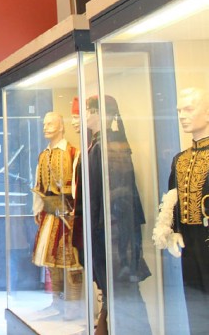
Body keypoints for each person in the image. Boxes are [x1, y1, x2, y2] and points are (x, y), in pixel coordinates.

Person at [85, 95, 151, 335]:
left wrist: (106, 228)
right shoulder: (98, 145)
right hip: (102, 228)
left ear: (103, 114)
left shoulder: (112, 146)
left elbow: (119, 194)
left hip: (115, 231)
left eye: (90, 110)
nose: (86, 116)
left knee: (123, 290)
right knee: (110, 288)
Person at [153, 87, 209, 334]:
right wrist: (173, 230)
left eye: (189, 109)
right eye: (179, 111)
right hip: (189, 241)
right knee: (195, 302)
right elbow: (172, 198)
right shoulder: (180, 159)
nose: (182, 116)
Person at [30, 112, 83, 319]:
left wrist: (76, 211)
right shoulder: (43, 155)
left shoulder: (73, 152)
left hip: (68, 215)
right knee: (51, 261)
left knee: (71, 261)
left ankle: (74, 306)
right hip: (49, 214)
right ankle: (57, 302)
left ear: (61, 126)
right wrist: (37, 209)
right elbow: (38, 184)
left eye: (50, 124)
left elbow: (78, 186)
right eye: (44, 124)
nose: (46, 127)